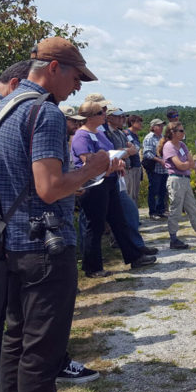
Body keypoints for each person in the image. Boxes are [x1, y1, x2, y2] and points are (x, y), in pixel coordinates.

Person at [0, 37, 110, 392]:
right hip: (45, 247)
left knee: (16, 342)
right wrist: (90, 170)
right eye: (77, 77)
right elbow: (49, 187)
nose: (78, 87)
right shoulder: (46, 113)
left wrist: (67, 184)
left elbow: (25, 181)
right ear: (54, 68)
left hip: (9, 242)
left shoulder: (6, 106)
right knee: (42, 355)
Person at [71, 101, 157, 278]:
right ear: (90, 117)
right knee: (94, 225)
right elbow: (88, 161)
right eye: (100, 114)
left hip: (109, 181)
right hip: (93, 184)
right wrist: (109, 164)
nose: (104, 116)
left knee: (119, 220)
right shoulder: (82, 136)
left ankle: (135, 257)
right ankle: (92, 267)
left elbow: (110, 152)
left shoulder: (99, 134)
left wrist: (117, 162)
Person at [104, 107, 157, 256]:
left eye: (123, 117)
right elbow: (117, 152)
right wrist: (126, 151)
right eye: (119, 117)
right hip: (119, 172)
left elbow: (132, 149)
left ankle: (133, 243)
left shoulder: (120, 132)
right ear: (109, 117)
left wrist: (126, 151)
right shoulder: (107, 133)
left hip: (124, 170)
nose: (122, 119)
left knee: (130, 208)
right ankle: (124, 242)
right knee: (124, 209)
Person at [142, 118, 168, 219]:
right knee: (153, 190)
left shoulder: (162, 137)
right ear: (153, 127)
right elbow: (147, 153)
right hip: (155, 168)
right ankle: (153, 212)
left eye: (162, 125)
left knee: (162, 190)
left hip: (163, 169)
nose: (162, 127)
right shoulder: (149, 138)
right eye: (159, 125)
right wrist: (160, 160)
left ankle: (161, 210)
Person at [123, 115, 144, 204]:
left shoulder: (135, 135)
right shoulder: (126, 133)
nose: (141, 124)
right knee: (130, 193)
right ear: (131, 123)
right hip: (130, 168)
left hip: (137, 166)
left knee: (135, 194)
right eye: (138, 122)